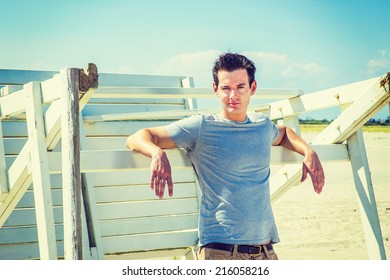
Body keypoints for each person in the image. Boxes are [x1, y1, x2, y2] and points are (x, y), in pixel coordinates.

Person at [126, 52, 325, 260]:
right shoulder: (201, 127)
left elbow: (283, 134)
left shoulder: (262, 126)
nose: (233, 96)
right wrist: (156, 152)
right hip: (221, 251)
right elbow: (137, 137)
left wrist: (308, 151)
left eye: (240, 87)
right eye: (226, 88)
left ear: (252, 88)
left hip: (266, 252)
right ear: (215, 90)